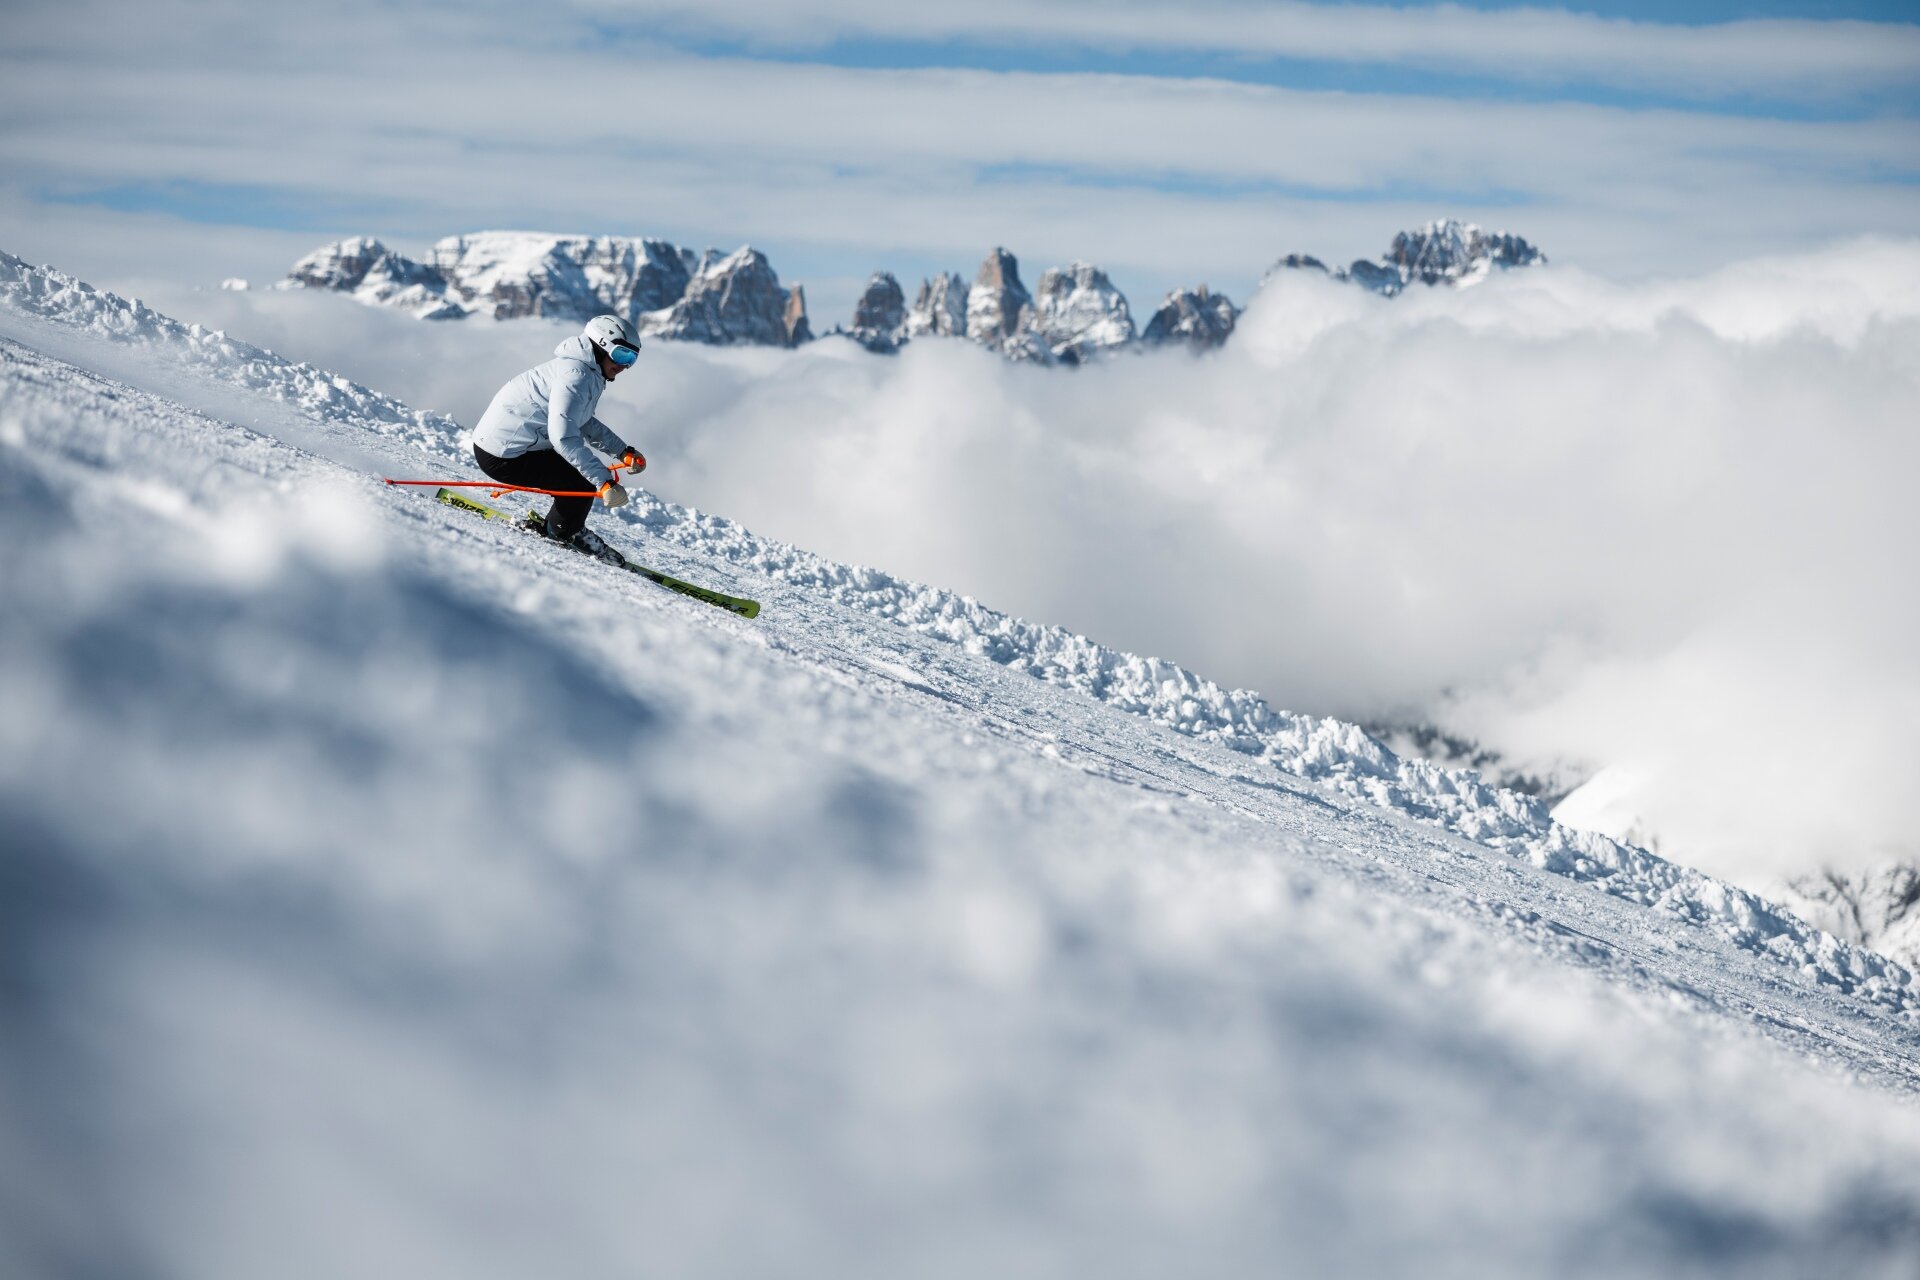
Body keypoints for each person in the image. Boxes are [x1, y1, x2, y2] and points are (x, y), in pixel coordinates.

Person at [471, 315, 647, 557]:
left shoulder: (587, 370)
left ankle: (561, 527)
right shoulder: (576, 376)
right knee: (580, 483)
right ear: (601, 345)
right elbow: (563, 437)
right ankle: (564, 534)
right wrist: (604, 482)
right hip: (502, 454)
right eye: (622, 355)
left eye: (632, 359)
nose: (625, 366)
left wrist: (622, 451)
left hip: (506, 444)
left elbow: (581, 421)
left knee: (576, 473)